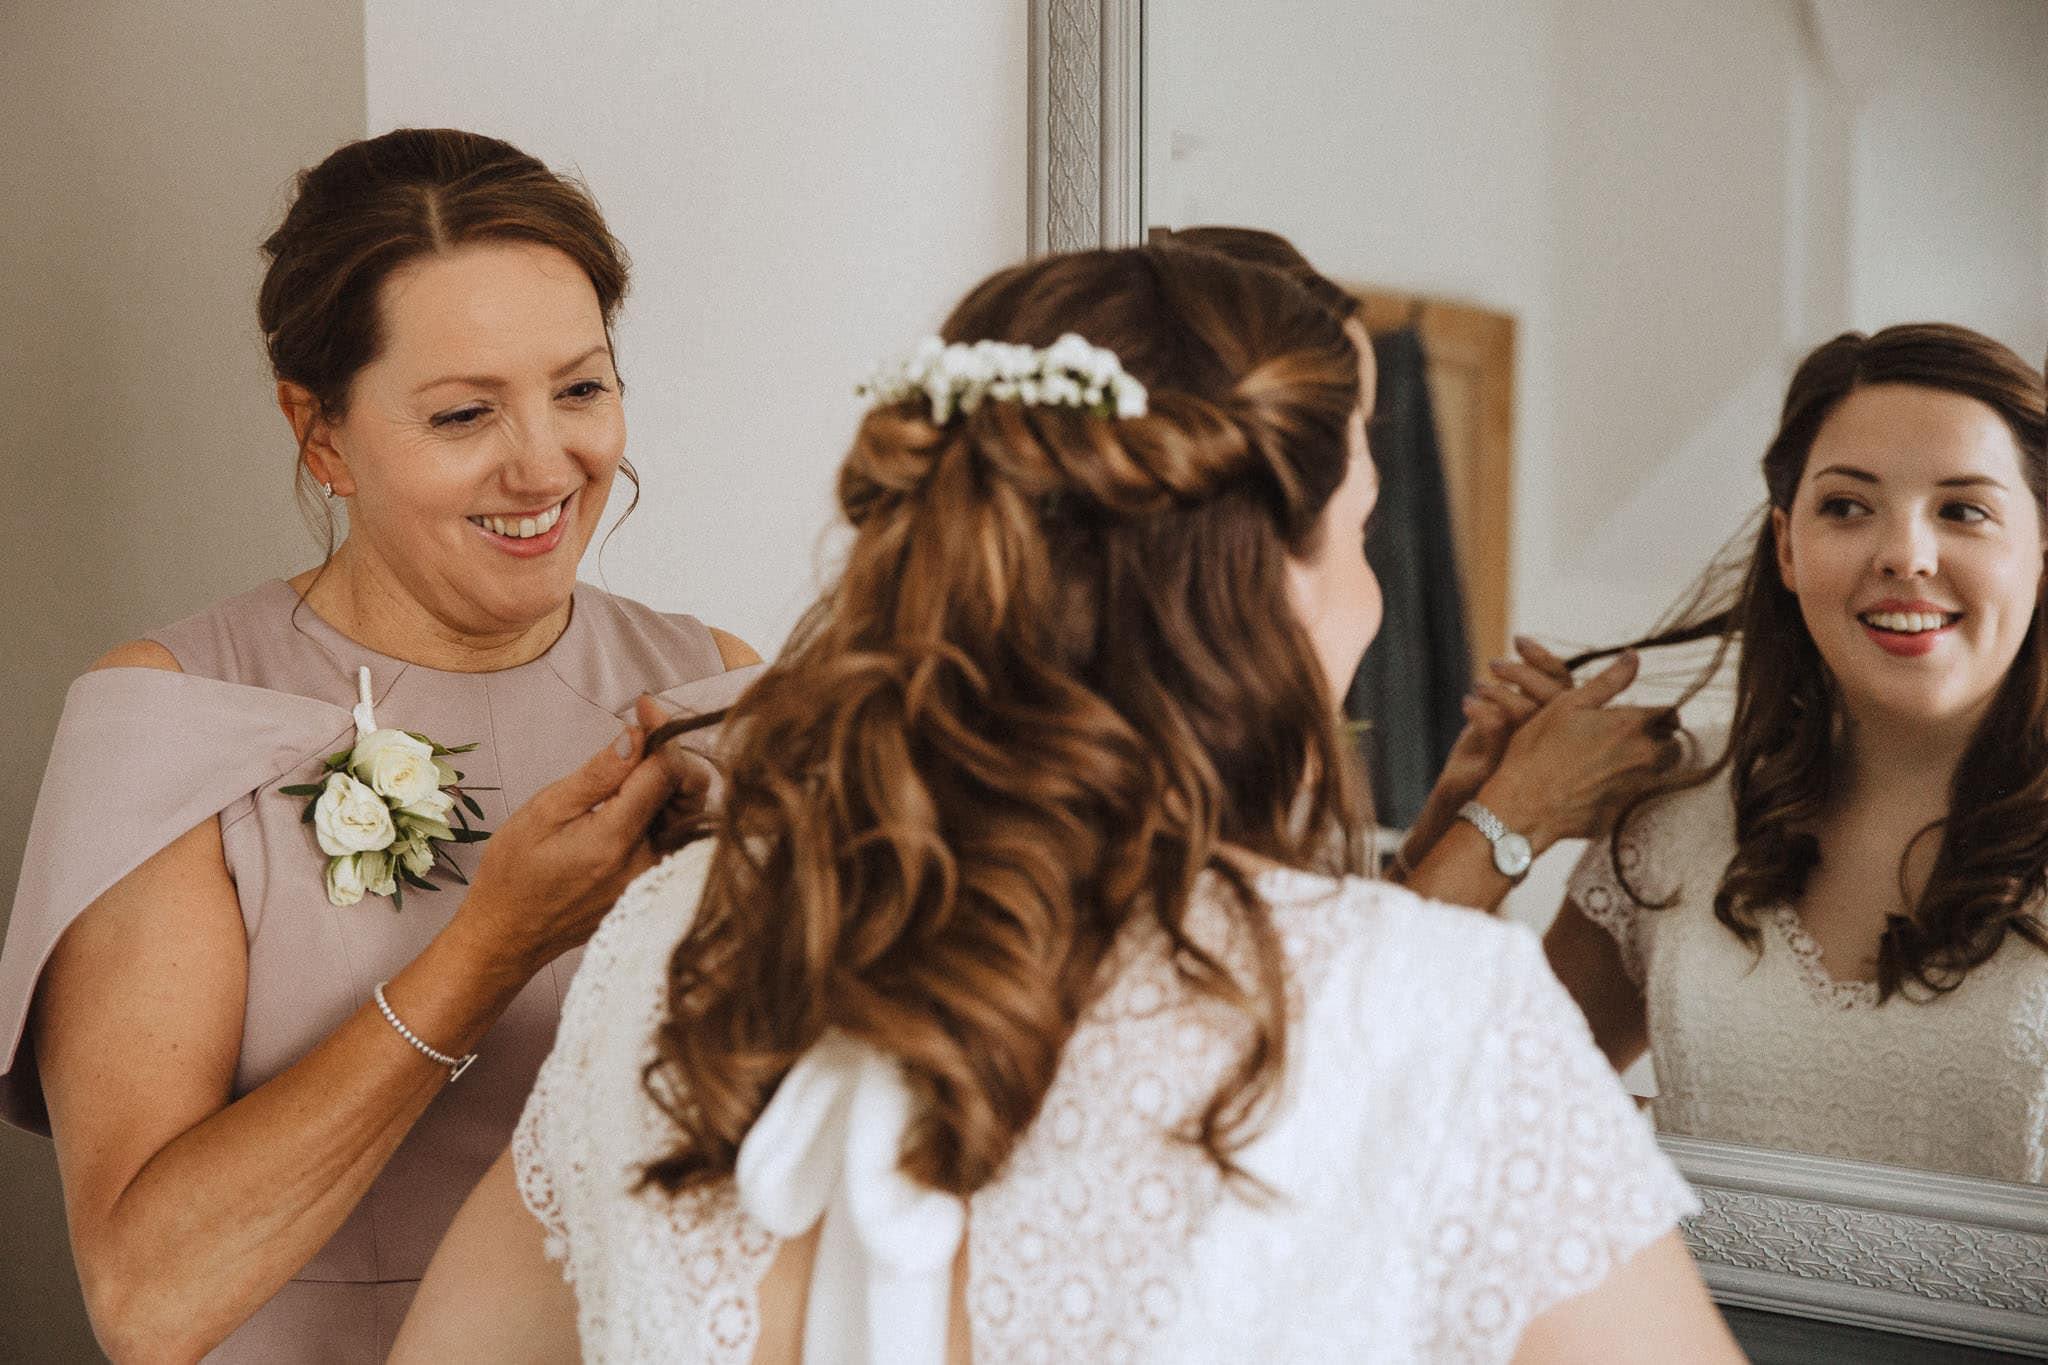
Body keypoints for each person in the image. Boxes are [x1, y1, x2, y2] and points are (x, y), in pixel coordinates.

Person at [393, 243, 1741, 1362]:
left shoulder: (676, 936)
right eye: (1365, 532)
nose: (1377, 597)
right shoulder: (1444, 1014)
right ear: (1271, 578)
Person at [0, 127, 762, 1361]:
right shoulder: (177, 714)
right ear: (321, 435)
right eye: (464, 413)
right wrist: (491, 946)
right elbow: (148, 1302)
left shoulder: (715, 686)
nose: (544, 463)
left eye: (580, 388)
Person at [1544, 323, 2048, 1181]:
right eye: (1847, 507)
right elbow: (1483, 1107)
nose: (1904, 554)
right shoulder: (1669, 822)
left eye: (1964, 510)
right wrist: (1488, 814)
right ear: (1786, 545)